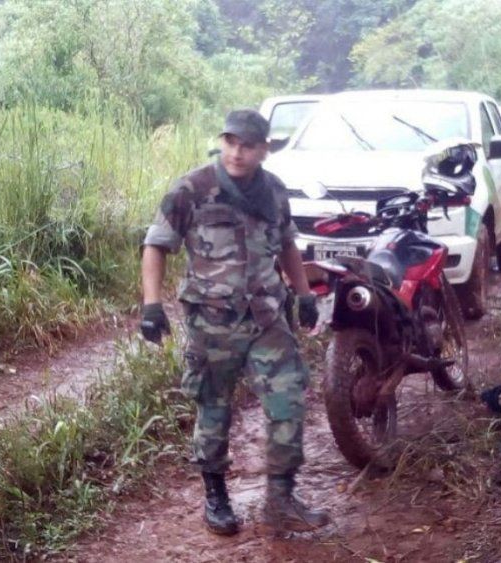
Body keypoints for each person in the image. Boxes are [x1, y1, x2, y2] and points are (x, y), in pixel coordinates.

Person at [139, 109, 329, 536]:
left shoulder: (275, 191)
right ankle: (216, 496)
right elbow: (155, 246)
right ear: (222, 141)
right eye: (230, 142)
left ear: (264, 149)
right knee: (214, 407)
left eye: (247, 145)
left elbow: (287, 246)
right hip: (213, 321)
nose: (237, 153)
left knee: (289, 400)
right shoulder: (193, 189)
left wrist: (303, 295)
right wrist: (152, 307)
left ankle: (280, 500)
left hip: (266, 317)